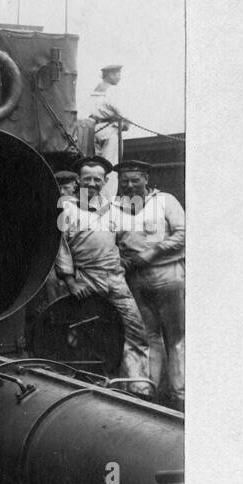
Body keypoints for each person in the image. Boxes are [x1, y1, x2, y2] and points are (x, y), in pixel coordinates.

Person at [54, 157, 153, 395]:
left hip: (115, 279)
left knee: (135, 330)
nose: (92, 183)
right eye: (87, 178)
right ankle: (89, 387)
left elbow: (125, 238)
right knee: (88, 332)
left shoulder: (113, 207)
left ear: (105, 181)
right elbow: (59, 246)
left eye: (98, 179)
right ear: (78, 180)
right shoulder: (66, 207)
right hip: (85, 279)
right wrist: (70, 281)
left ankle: (138, 388)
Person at [114, 158, 185, 410]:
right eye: (124, 181)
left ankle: (181, 394)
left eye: (135, 180)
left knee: (175, 336)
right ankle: (152, 390)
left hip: (168, 274)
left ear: (146, 178)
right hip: (135, 280)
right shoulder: (114, 207)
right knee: (147, 336)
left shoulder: (165, 200)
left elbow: (182, 233)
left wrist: (152, 253)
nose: (130, 185)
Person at [86, 63, 127, 179]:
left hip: (95, 129)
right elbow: (123, 113)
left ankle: (92, 195)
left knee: (96, 166)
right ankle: (108, 196)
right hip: (109, 130)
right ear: (109, 75)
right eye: (117, 74)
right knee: (111, 167)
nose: (120, 77)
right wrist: (126, 125)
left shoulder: (96, 89)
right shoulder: (112, 90)